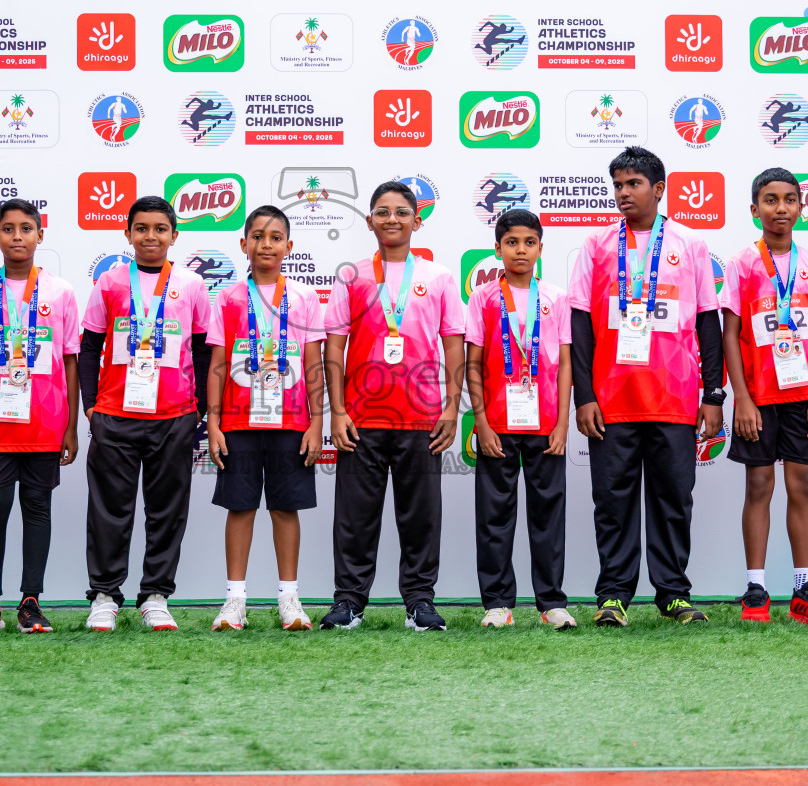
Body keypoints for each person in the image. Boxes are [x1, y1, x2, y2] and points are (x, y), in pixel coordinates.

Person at [568, 147, 725, 627]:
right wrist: (585, 396)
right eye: (617, 185)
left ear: (659, 189)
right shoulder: (595, 246)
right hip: (612, 401)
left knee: (673, 499)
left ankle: (673, 593)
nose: (623, 194)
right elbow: (579, 326)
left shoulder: (691, 245)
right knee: (612, 502)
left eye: (633, 184)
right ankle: (613, 595)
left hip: (674, 399)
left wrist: (713, 394)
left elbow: (706, 322)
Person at [321, 181, 465, 632]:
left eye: (401, 212)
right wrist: (338, 411)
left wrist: (451, 408)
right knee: (354, 518)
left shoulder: (438, 277)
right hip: (361, 419)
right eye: (382, 212)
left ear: (416, 220)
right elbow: (334, 347)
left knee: (421, 517)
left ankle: (420, 602)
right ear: (369, 221)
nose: (392, 220)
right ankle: (349, 602)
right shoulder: (353, 276)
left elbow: (455, 345)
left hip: (421, 416)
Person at [79, 195, 212, 632]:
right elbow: (89, 348)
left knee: (167, 509)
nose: (150, 236)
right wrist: (91, 406)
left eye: (160, 228)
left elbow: (201, 350)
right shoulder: (110, 283)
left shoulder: (192, 285)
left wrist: (200, 410)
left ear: (174, 235)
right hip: (115, 414)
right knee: (108, 510)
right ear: (128, 234)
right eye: (142, 228)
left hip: (174, 416)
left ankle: (155, 594)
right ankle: (104, 594)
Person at [0, 200, 81, 634]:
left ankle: (30, 602)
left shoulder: (60, 292)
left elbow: (69, 362)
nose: (17, 236)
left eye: (27, 228)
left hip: (45, 425)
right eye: (7, 229)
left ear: (40, 236)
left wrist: (70, 425)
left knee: (37, 508)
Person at [721, 168, 808, 624]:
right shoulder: (742, 263)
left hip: (804, 396)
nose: (781, 208)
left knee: (802, 486)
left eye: (790, 199)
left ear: (802, 207)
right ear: (755, 210)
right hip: (759, 398)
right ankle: (756, 588)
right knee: (759, 485)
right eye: (770, 200)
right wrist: (743, 399)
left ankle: (803, 589)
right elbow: (730, 334)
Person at [204, 205, 325, 632]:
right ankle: (235, 599)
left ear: (289, 246)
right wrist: (214, 422)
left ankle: (288, 597)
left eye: (275, 238)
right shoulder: (230, 299)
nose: (266, 244)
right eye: (257, 236)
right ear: (244, 245)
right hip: (238, 423)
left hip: (291, 422)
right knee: (240, 507)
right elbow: (218, 363)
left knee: (285, 507)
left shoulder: (306, 298)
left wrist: (316, 422)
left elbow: (314, 364)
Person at [466, 209, 574, 630]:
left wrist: (563, 422)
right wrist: (482, 422)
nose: (521, 250)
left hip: (546, 424)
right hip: (498, 426)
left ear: (541, 248)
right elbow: (473, 364)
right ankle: (497, 602)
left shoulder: (557, 299)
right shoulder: (483, 298)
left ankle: (551, 603)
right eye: (512, 242)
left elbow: (565, 362)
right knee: (494, 515)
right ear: (498, 249)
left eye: (529, 242)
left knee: (548, 514)